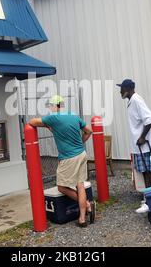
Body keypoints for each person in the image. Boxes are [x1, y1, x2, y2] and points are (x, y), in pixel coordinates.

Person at [29, 95, 95, 227]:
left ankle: (87, 204)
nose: (50, 108)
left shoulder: (53, 118)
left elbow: (32, 122)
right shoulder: (74, 116)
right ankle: (82, 218)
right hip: (81, 154)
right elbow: (89, 131)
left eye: (50, 106)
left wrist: (47, 125)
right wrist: (80, 143)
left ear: (55, 106)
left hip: (68, 158)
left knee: (62, 187)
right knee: (80, 185)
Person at [117, 79, 151, 214]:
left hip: (143, 146)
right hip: (139, 147)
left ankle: (150, 202)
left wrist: (142, 137)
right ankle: (148, 199)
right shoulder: (132, 101)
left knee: (147, 173)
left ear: (127, 89)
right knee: (144, 172)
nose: (120, 91)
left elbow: (150, 119)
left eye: (121, 88)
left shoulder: (136, 100)